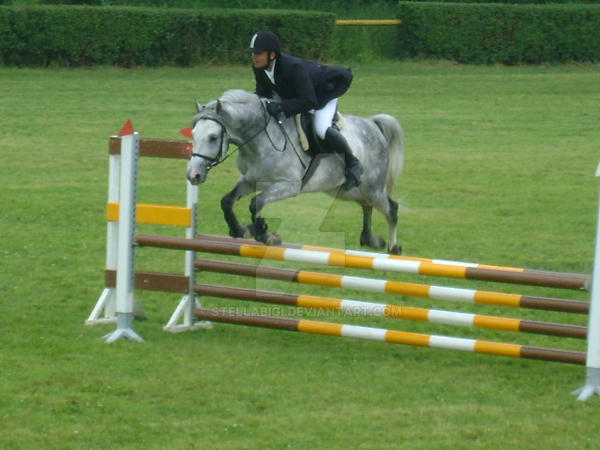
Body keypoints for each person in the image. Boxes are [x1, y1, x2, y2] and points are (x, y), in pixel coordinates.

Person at [247, 30, 363, 190]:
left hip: (322, 93)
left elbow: (309, 101)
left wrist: (280, 106)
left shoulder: (293, 68)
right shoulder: (260, 67)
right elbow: (263, 92)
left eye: (258, 53)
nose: (254, 57)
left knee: (321, 128)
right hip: (299, 95)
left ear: (272, 55)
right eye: (253, 53)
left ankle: (353, 162)